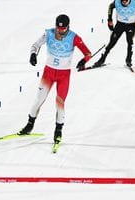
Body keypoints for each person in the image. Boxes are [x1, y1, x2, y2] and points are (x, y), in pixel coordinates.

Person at [18, 14, 92, 147]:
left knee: (60, 103)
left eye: (63, 29)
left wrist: (83, 61)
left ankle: (58, 131)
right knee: (38, 99)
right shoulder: (49, 34)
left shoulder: (74, 37)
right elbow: (35, 45)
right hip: (49, 73)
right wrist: (33, 54)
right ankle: (29, 126)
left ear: (68, 27)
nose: (60, 31)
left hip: (64, 76)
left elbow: (88, 53)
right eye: (58, 28)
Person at [93, 0, 135, 68]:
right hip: (120, 25)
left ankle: (128, 60)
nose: (124, 1)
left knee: (130, 42)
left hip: (131, 25)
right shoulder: (116, 2)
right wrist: (109, 20)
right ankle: (101, 60)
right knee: (112, 42)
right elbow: (110, 7)